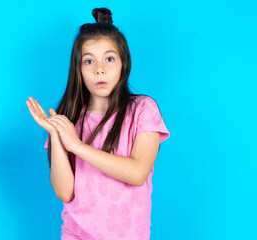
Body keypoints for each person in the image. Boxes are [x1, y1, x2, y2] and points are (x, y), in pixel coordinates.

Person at [26, 7, 170, 240]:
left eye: (109, 59)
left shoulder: (143, 109)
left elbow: (137, 173)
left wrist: (77, 146)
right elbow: (64, 192)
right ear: (79, 69)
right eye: (89, 61)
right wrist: (56, 135)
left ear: (124, 63)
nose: (99, 69)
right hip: (76, 234)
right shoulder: (69, 119)